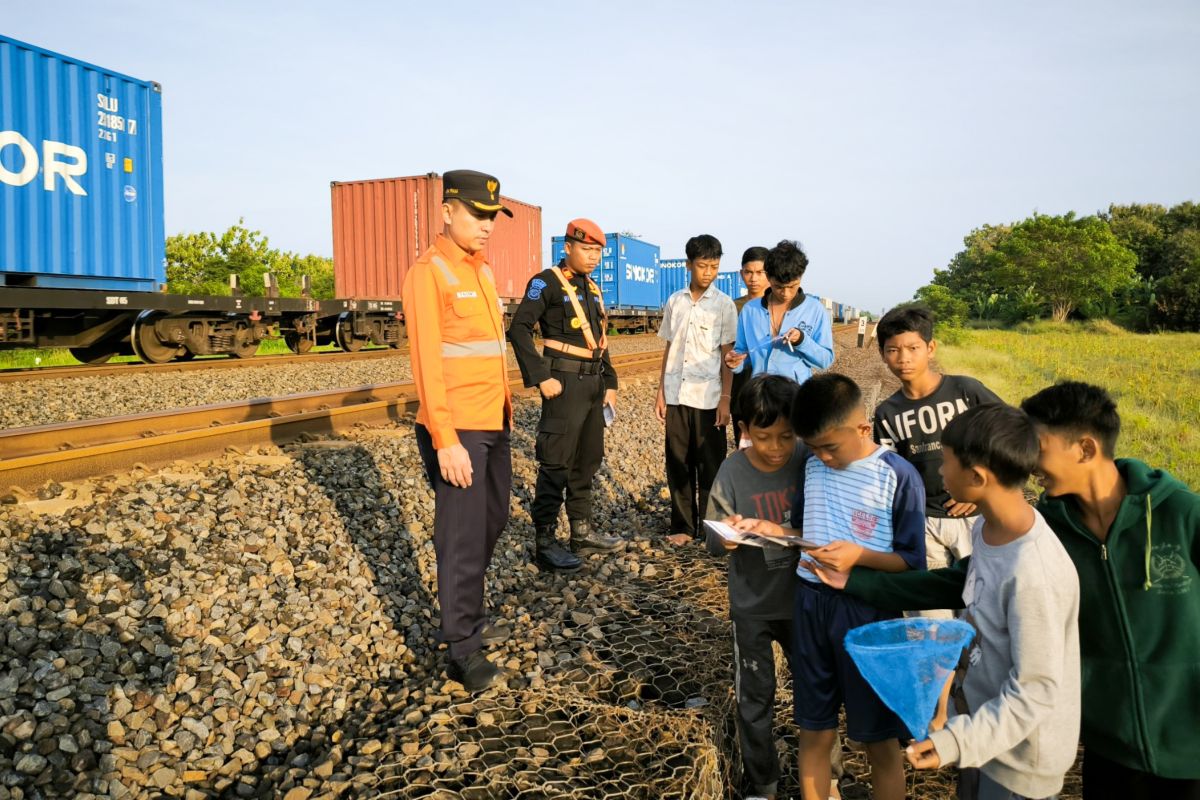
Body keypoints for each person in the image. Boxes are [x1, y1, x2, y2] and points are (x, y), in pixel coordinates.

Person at [830, 381, 1200, 800]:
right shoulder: (1049, 523)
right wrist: (861, 581)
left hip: (1187, 743)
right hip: (1108, 741)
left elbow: (1034, 686)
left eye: (1036, 445)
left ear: (1085, 449)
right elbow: (962, 580)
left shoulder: (1178, 513)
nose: (1025, 458)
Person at [814, 404, 1081, 800]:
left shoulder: (1032, 573)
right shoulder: (994, 530)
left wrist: (954, 742)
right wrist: (858, 581)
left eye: (947, 463)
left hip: (1019, 763)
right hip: (984, 740)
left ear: (977, 477)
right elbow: (951, 583)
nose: (939, 472)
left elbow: (1035, 692)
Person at [735, 373, 926, 800]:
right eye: (814, 448)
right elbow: (806, 526)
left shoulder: (897, 476)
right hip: (811, 606)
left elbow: (911, 563)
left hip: (868, 615)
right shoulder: (814, 466)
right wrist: (775, 530)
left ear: (862, 428)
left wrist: (859, 558)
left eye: (829, 448)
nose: (821, 456)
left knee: (879, 741)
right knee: (814, 730)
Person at [403, 169, 514, 692]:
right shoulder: (430, 272)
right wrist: (445, 439)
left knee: (493, 519)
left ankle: (466, 613)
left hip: (495, 418)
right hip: (460, 428)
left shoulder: (483, 271)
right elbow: (427, 361)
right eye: (477, 214)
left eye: (492, 216)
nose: (487, 225)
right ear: (447, 211)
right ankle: (461, 646)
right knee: (461, 536)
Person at [705, 374, 809, 800]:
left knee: (815, 694)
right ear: (744, 430)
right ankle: (763, 781)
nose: (776, 448)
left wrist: (783, 530)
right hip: (752, 606)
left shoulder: (809, 460)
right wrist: (726, 537)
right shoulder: (732, 470)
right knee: (755, 696)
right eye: (764, 437)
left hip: (805, 603)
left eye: (787, 436)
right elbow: (712, 538)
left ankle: (826, 775)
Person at [508, 218, 623, 572]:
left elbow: (599, 342)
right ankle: (544, 542)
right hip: (563, 383)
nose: (593, 257)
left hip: (593, 386)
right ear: (568, 247)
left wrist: (611, 382)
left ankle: (581, 533)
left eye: (598, 252)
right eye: (586, 249)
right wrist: (540, 377)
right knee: (556, 461)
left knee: (587, 460)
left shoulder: (592, 288)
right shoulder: (546, 283)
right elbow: (519, 329)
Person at [872, 305, 1002, 617]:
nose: (903, 358)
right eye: (893, 350)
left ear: (930, 348)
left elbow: (1010, 434)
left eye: (913, 348)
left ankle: (974, 666)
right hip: (922, 521)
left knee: (981, 610)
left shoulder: (965, 391)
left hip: (974, 518)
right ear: (882, 354)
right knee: (931, 617)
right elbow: (891, 472)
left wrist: (985, 492)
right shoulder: (887, 412)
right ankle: (940, 666)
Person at [655, 234, 738, 546]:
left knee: (711, 465)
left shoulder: (724, 306)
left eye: (714, 267)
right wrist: (661, 390)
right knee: (678, 462)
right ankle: (683, 527)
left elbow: (728, 356)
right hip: (676, 394)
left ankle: (712, 528)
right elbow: (669, 348)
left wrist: (726, 399)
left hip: (709, 397)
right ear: (688, 265)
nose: (709, 272)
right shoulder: (675, 302)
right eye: (703, 266)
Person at [725, 239, 834, 388]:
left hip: (796, 396)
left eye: (792, 286)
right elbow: (743, 353)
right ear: (769, 277)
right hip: (759, 396)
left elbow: (825, 360)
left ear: (801, 277)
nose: (786, 293)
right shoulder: (750, 310)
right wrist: (735, 362)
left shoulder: (815, 310)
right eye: (778, 287)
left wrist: (802, 341)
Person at [729, 246, 769, 445]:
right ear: (741, 274)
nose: (754, 278)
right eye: (748, 272)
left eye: (760, 272)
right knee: (745, 451)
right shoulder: (732, 307)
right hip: (741, 390)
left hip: (771, 393)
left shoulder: (778, 305)